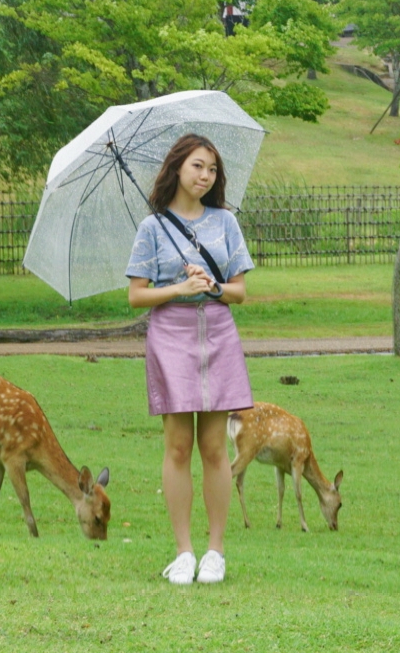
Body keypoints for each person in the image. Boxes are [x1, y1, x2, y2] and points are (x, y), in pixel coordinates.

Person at [126, 133, 254, 586]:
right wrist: (180, 289)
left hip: (217, 333)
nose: (205, 176)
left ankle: (215, 553)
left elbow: (240, 290)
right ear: (178, 166)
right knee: (178, 447)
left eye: (213, 169)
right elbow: (136, 295)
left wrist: (213, 287)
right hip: (172, 336)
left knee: (215, 448)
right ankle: (183, 553)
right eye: (198, 166)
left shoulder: (225, 223)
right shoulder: (152, 228)